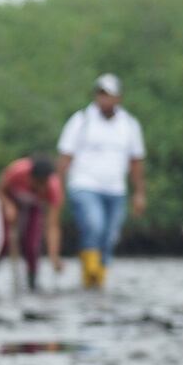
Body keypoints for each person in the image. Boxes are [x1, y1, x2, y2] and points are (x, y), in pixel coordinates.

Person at [56, 73, 146, 289]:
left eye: (108, 95)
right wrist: (57, 188)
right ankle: (91, 274)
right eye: (100, 94)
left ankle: (96, 282)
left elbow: (135, 162)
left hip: (115, 189)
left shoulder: (129, 125)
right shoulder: (81, 120)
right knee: (94, 225)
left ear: (118, 98)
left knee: (110, 236)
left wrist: (139, 193)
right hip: (84, 185)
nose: (103, 99)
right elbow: (65, 157)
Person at [0, 153, 63, 290]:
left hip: (31, 207)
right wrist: (8, 206)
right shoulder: (18, 171)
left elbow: (52, 225)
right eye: (37, 182)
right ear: (31, 176)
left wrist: (54, 256)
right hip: (5, 200)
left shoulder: (53, 188)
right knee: (3, 241)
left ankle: (32, 284)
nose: (40, 187)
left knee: (32, 245)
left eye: (44, 184)